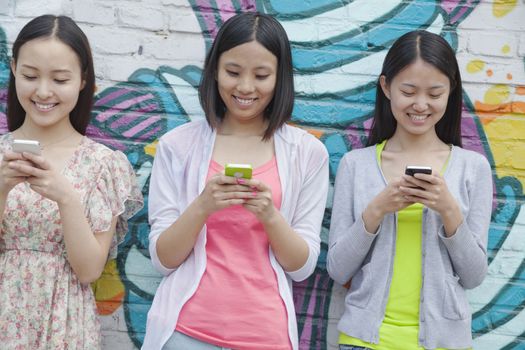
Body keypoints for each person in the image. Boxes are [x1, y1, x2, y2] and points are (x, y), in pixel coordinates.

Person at [143, 12, 329, 350]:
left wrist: (270, 215)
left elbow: (301, 267)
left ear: (280, 78)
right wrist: (203, 206)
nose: (245, 87)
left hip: (266, 335)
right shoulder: (177, 146)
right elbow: (163, 259)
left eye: (261, 75)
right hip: (185, 333)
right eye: (232, 72)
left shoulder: (308, 153)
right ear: (214, 71)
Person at [327, 30, 493, 350]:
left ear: (451, 91)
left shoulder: (473, 169)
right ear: (386, 87)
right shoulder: (355, 165)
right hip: (363, 341)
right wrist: (376, 210)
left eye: (434, 93)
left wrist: (449, 211)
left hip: (445, 343)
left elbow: (473, 277)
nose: (420, 104)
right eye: (409, 90)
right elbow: (338, 269)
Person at [0, 15, 143, 349]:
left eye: (60, 79)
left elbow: (89, 270)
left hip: (64, 324)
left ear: (82, 81)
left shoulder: (104, 165)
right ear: (14, 70)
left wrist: (66, 198)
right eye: (30, 76)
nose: (43, 91)